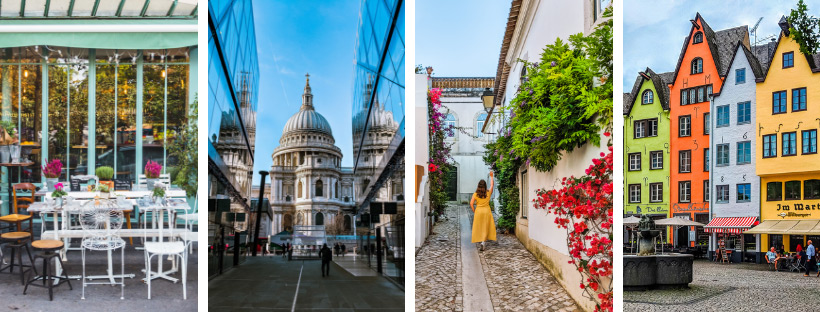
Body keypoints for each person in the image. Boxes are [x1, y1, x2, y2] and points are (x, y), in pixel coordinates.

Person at [470, 171, 497, 251]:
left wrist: (474, 211)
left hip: (478, 211)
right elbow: (492, 185)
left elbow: (471, 203)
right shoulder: (488, 193)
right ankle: (483, 242)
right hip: (486, 211)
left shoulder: (475, 194)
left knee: (479, 226)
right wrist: (491, 176)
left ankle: (480, 240)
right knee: (485, 226)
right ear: (485, 186)